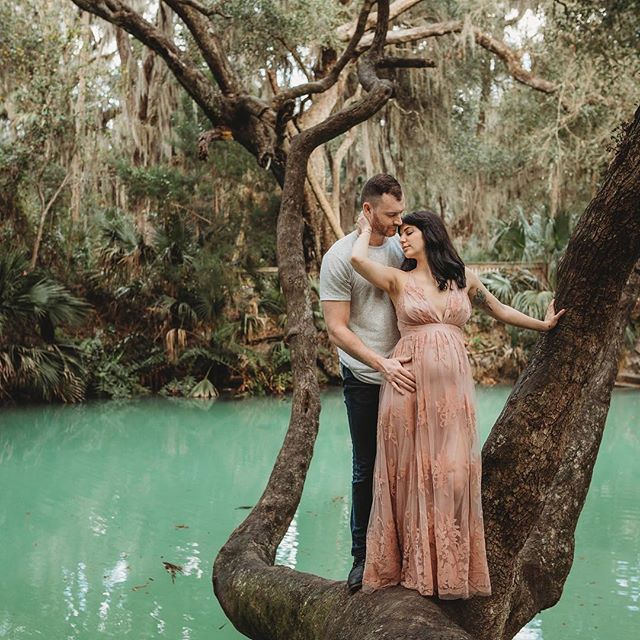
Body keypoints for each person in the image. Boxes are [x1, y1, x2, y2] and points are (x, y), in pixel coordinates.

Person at [350, 209, 566, 599]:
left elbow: (499, 310)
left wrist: (544, 325)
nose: (402, 239)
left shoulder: (463, 279)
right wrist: (366, 230)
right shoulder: (398, 280)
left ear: (430, 234)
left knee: (451, 474)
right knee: (407, 475)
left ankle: (446, 569)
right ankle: (411, 571)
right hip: (408, 386)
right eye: (399, 233)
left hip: (453, 396)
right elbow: (356, 260)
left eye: (409, 232)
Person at [319, 174, 417, 593]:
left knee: (412, 466)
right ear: (368, 210)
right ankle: (362, 557)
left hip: (409, 376)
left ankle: (411, 554)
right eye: (391, 214)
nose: (398, 222)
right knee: (366, 468)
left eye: (401, 213)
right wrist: (380, 363)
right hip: (364, 376)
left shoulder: (405, 249)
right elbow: (337, 329)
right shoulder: (340, 258)